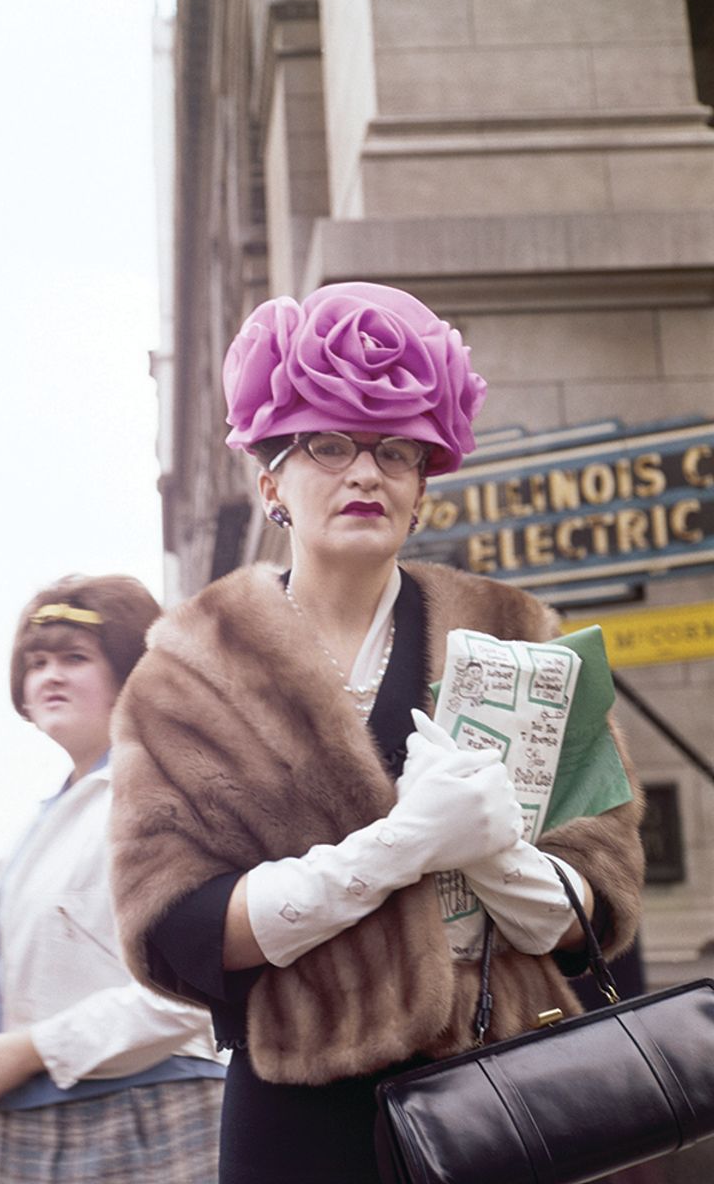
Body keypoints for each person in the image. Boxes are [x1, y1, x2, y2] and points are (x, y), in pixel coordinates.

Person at [107, 283, 646, 1184]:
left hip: (510, 1088)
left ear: (423, 486)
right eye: (329, 445)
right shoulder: (184, 676)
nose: (366, 474)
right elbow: (176, 927)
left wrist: (498, 854)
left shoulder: (519, 635)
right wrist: (401, 846)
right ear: (272, 479)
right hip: (303, 1117)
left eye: (396, 452)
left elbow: (601, 895)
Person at [0, 575, 226, 1184]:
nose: (50, 676)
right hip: (41, 1117)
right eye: (36, 662)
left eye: (75, 659)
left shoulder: (164, 795)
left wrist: (33, 1048)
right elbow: (61, 963)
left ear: (133, 674)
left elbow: (194, 990)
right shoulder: (62, 807)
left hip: (137, 1119)